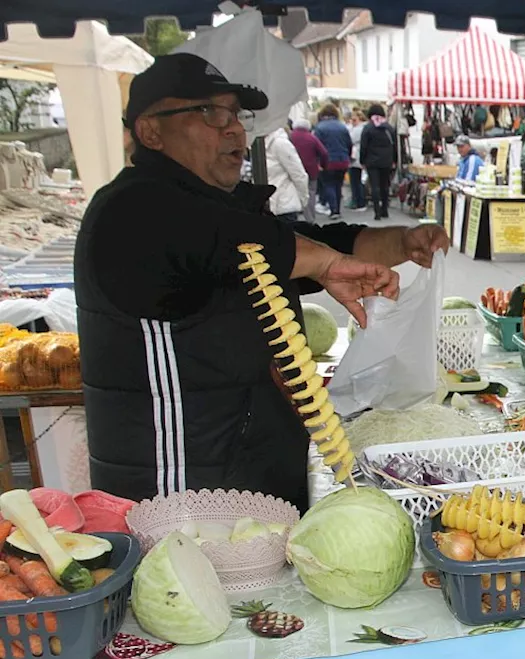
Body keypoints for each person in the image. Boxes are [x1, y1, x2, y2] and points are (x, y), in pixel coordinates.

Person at [74, 53, 451, 513]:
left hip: (245, 472)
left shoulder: (221, 210)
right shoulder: (131, 210)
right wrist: (326, 264)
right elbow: (235, 242)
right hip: (182, 500)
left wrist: (400, 241)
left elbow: (301, 242)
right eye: (209, 112)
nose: (233, 128)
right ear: (151, 131)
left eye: (236, 114)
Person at [264, 126, 309, 224]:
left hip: (284, 207)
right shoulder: (258, 144)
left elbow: (299, 174)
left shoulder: (280, 143)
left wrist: (303, 200)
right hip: (266, 208)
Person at [313, 104, 352, 219]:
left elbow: (317, 146)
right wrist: (347, 156)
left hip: (328, 161)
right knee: (338, 185)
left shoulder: (319, 127)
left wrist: (318, 161)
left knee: (329, 184)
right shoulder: (342, 126)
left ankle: (334, 210)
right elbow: (349, 144)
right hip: (343, 160)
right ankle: (338, 209)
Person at [360, 103, 397, 220]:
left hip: (372, 162)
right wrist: (394, 160)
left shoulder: (368, 128)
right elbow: (394, 146)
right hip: (386, 161)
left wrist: (362, 160)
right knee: (385, 186)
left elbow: (363, 146)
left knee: (374, 186)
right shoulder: (389, 128)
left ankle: (377, 212)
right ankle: (385, 210)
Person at [288, 118, 326, 223]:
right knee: (311, 192)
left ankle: (294, 215)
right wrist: (323, 165)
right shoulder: (312, 138)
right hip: (311, 170)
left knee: (294, 191)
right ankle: (310, 218)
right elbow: (324, 153)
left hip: (292, 170)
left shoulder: (289, 137)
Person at [347, 109, 368, 211]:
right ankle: (358, 201)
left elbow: (350, 139)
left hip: (356, 158)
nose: (352, 121)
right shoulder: (363, 128)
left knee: (355, 181)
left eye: (354, 119)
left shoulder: (358, 129)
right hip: (359, 158)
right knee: (358, 180)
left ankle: (359, 202)